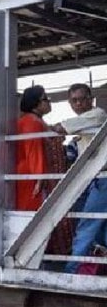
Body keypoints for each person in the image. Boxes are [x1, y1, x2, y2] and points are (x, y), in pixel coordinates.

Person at [51, 83, 107, 273]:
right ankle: (95, 265)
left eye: (83, 99)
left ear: (90, 99)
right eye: (74, 100)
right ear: (69, 103)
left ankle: (72, 271)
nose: (79, 103)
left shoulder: (97, 115)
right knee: (99, 226)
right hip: (94, 178)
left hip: (103, 178)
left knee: (86, 224)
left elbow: (60, 128)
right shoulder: (86, 122)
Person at [15, 85, 73, 255]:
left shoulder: (34, 121)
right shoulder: (32, 122)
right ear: (35, 103)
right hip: (34, 179)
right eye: (45, 99)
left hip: (37, 176)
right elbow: (34, 150)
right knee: (38, 218)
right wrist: (40, 177)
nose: (49, 102)